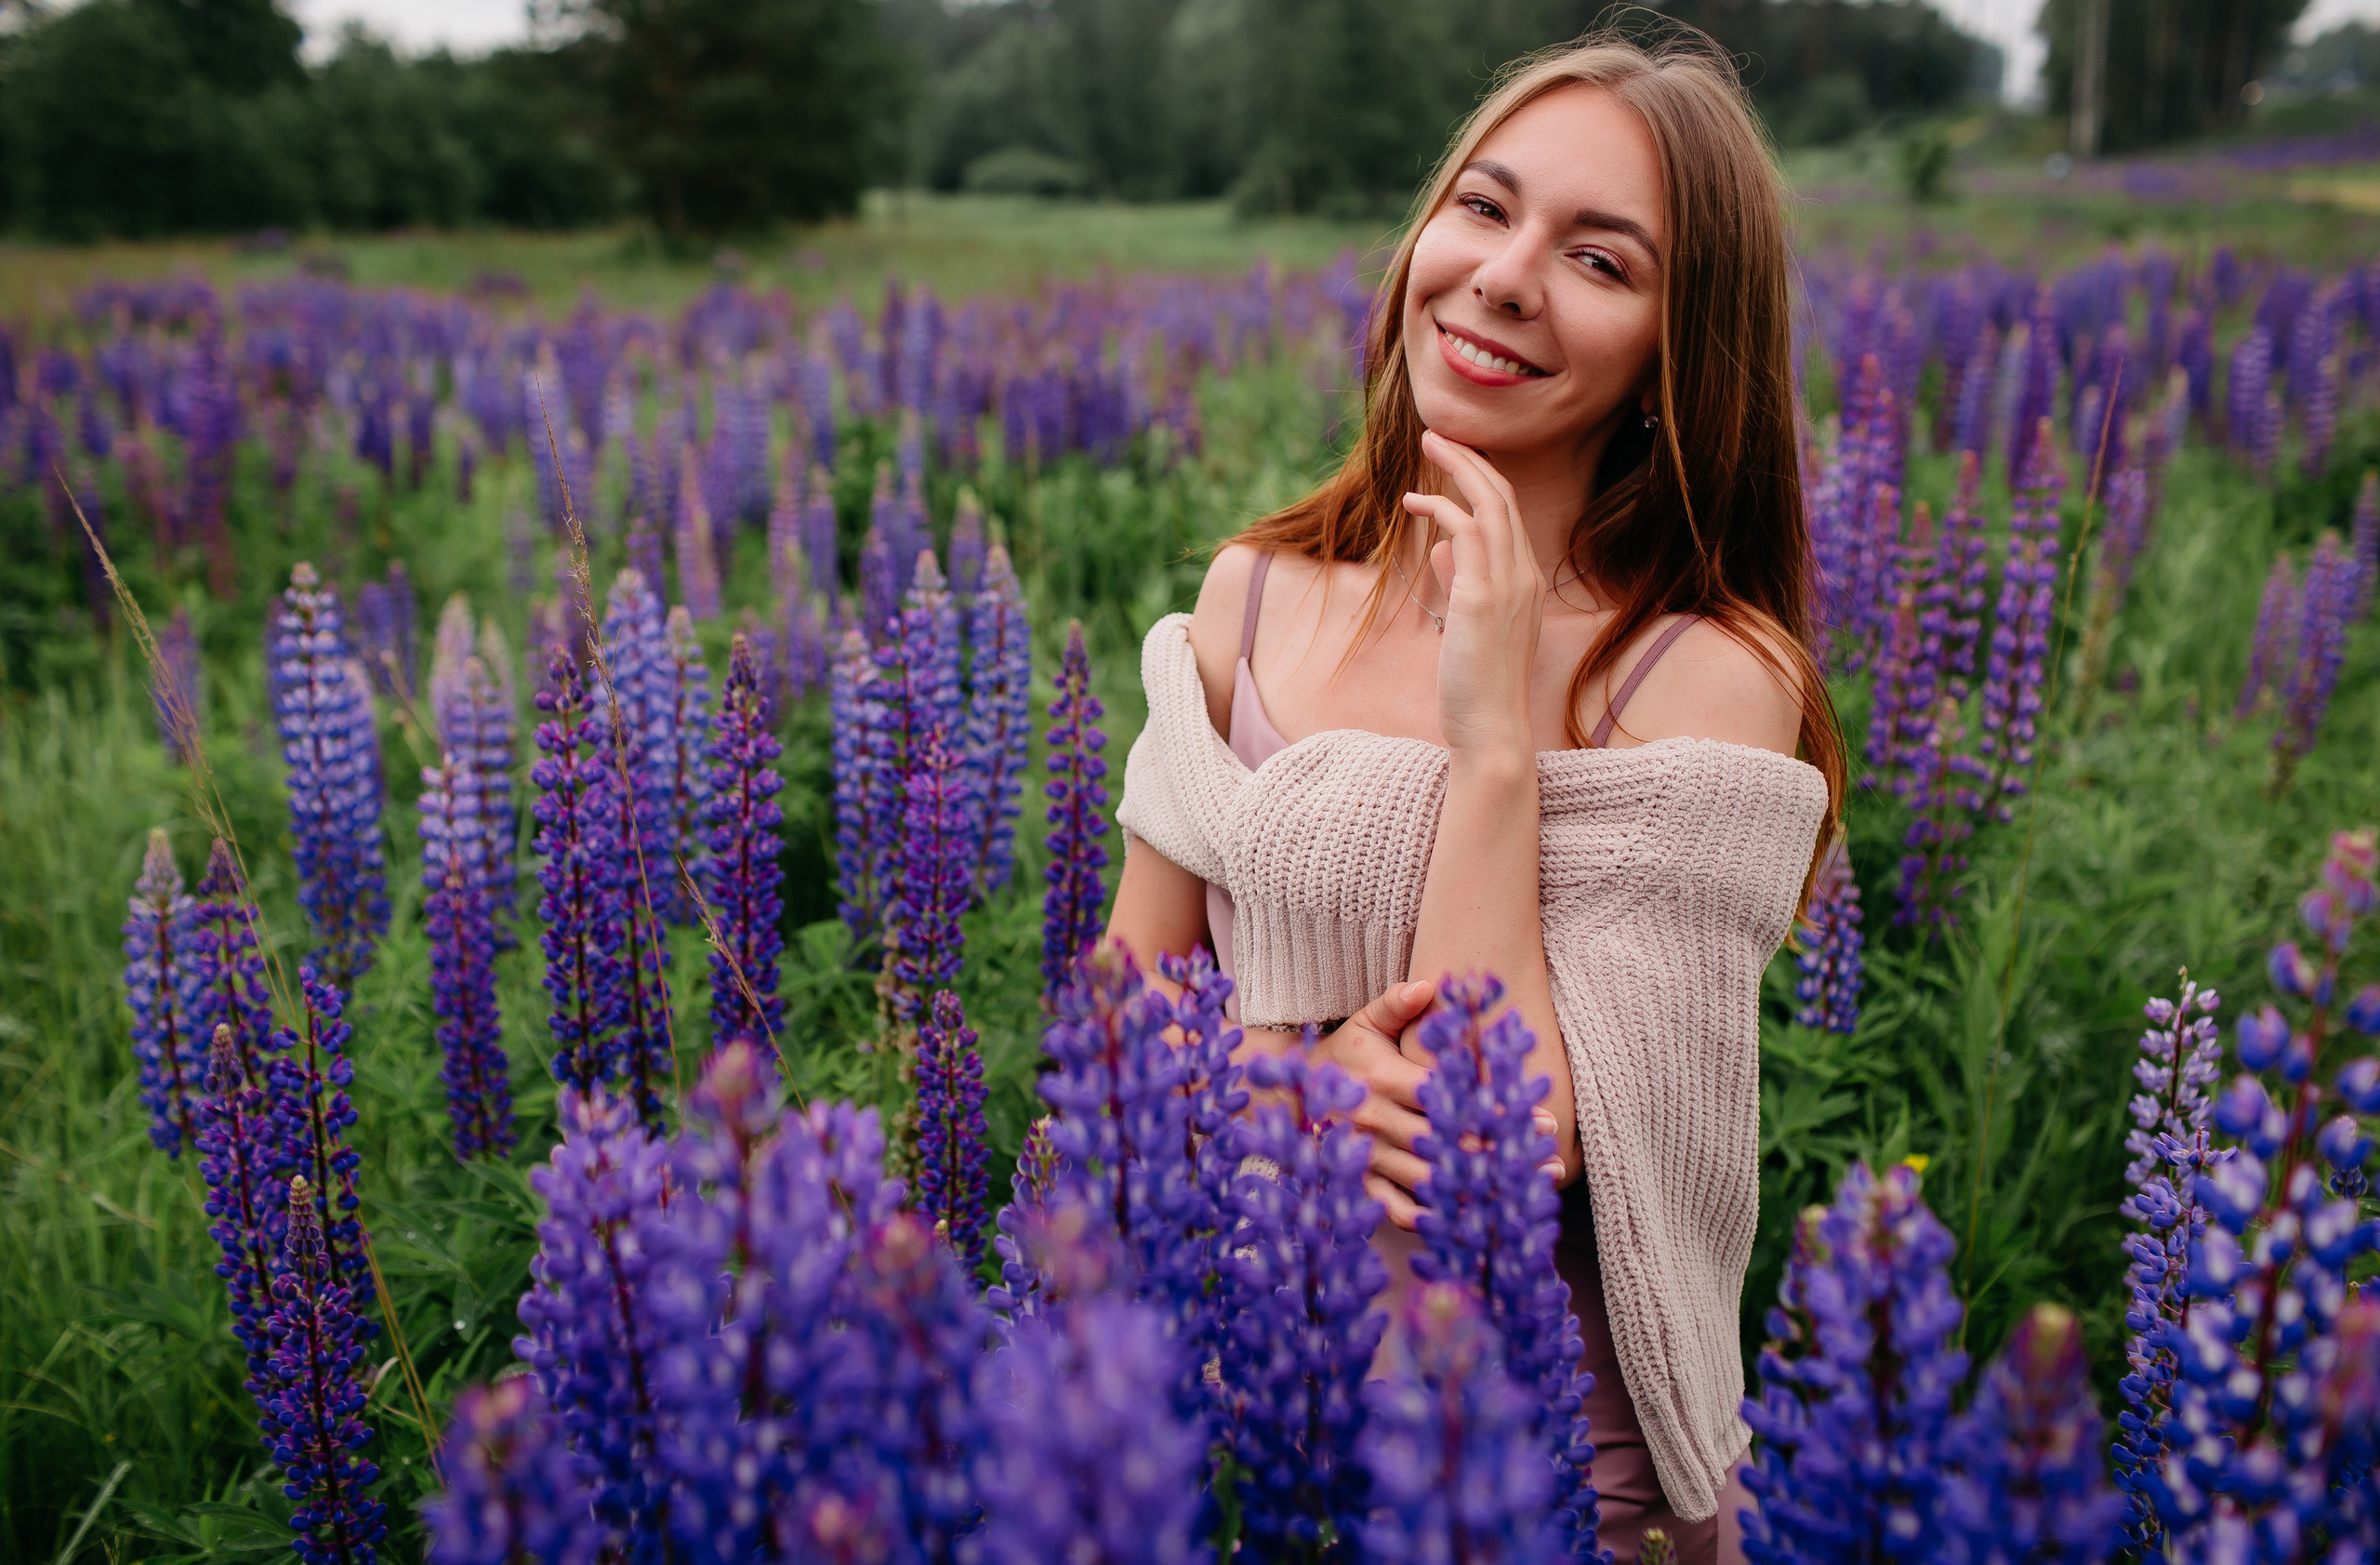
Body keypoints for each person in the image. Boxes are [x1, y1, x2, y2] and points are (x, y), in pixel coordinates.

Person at [1104, 28, 1844, 1565]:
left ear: (1674, 344)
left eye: (1599, 258)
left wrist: (1494, 729)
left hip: (1548, 1464)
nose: (1505, 276)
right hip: (1241, 1396)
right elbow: (1127, 1001)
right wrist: (1283, 1089)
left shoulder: (1706, 673)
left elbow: (1507, 1141)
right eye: (1484, 207)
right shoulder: (1253, 593)